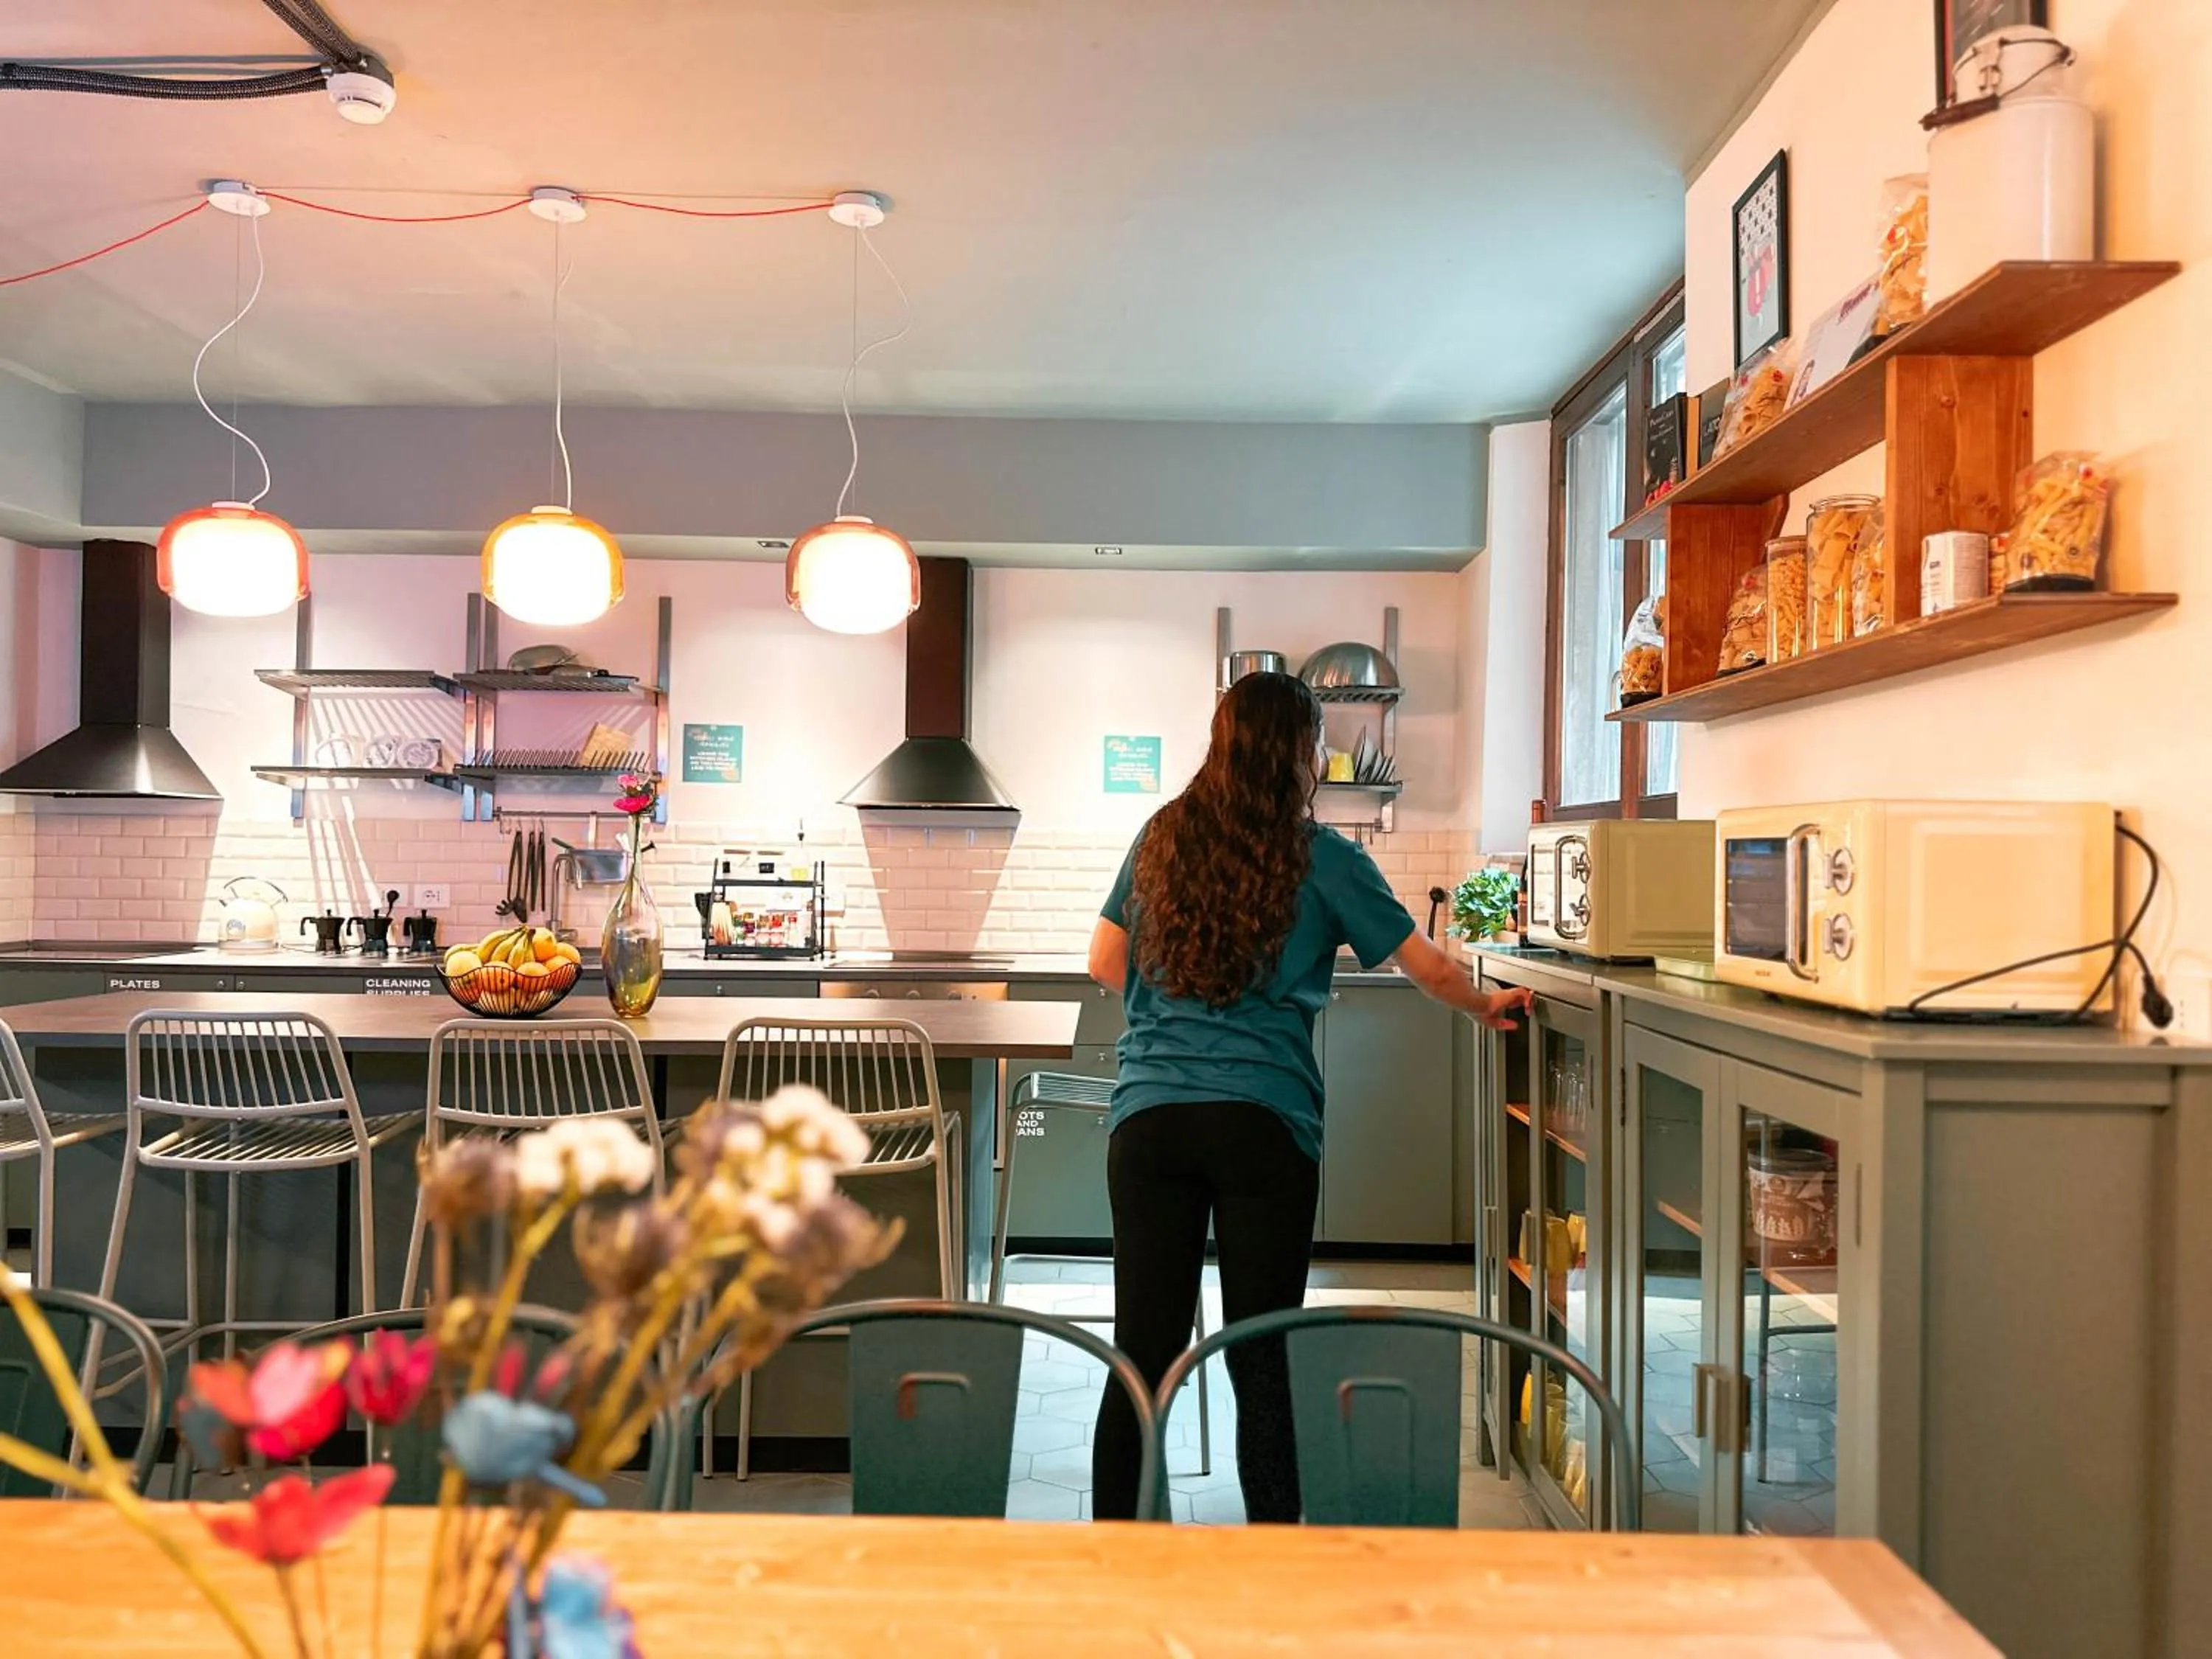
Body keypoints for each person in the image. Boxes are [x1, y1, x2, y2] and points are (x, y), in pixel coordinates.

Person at [1087, 671, 1531, 1522]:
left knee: (1141, 1350)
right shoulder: (1325, 857)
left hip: (1150, 1125)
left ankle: (1120, 1548)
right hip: (1264, 1127)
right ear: (1298, 755)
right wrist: (1488, 1004)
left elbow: (1105, 963)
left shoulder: (1161, 838)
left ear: (1220, 744)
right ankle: (1274, 1554)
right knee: (1262, 1352)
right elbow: (1428, 967)